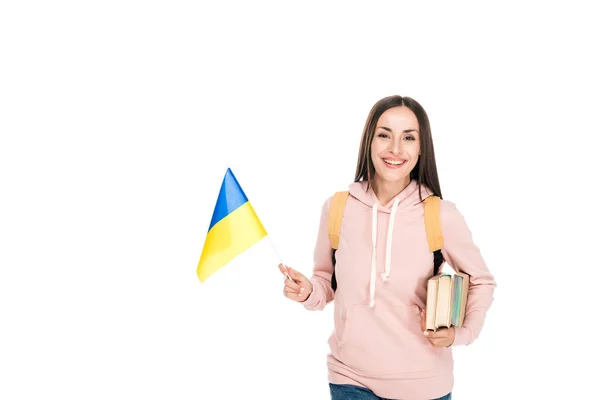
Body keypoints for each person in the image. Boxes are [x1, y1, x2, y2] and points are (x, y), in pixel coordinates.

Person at [278, 95, 496, 400]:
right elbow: (326, 281)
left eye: (408, 137)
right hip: (349, 378)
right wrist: (307, 292)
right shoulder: (338, 208)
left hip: (424, 385)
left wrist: (463, 334)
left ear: (422, 148)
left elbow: (482, 280)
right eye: (384, 135)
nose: (395, 149)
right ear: (369, 141)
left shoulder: (439, 214)